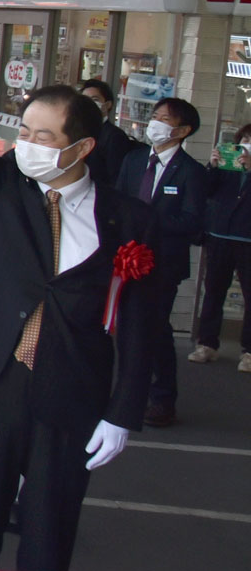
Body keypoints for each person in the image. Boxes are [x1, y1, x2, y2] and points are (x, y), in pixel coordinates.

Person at [0, 0, 153, 571]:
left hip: (73, 382)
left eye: (42, 137)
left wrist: (124, 410)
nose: (26, 144)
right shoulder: (2, 184)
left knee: (51, 524)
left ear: (81, 149)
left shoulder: (128, 219)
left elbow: (140, 320)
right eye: (22, 131)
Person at [118, 98, 209, 427]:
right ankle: (127, 396)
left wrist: (149, 223)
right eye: (154, 116)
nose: (155, 123)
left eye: (164, 119)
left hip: (163, 265)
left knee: (155, 330)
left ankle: (162, 399)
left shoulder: (191, 173)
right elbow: (117, 201)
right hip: (123, 260)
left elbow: (192, 222)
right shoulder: (134, 159)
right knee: (125, 328)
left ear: (182, 131)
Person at [192, 122, 251, 372]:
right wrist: (213, 166)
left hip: (248, 239)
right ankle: (207, 344)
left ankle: (248, 351)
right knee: (214, 291)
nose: (246, 147)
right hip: (220, 234)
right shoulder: (227, 167)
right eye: (244, 140)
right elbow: (203, 191)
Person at [81, 78, 138, 186]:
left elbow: (115, 176)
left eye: (95, 99)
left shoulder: (115, 136)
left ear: (108, 104)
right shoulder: (77, 131)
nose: (89, 104)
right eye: (85, 99)